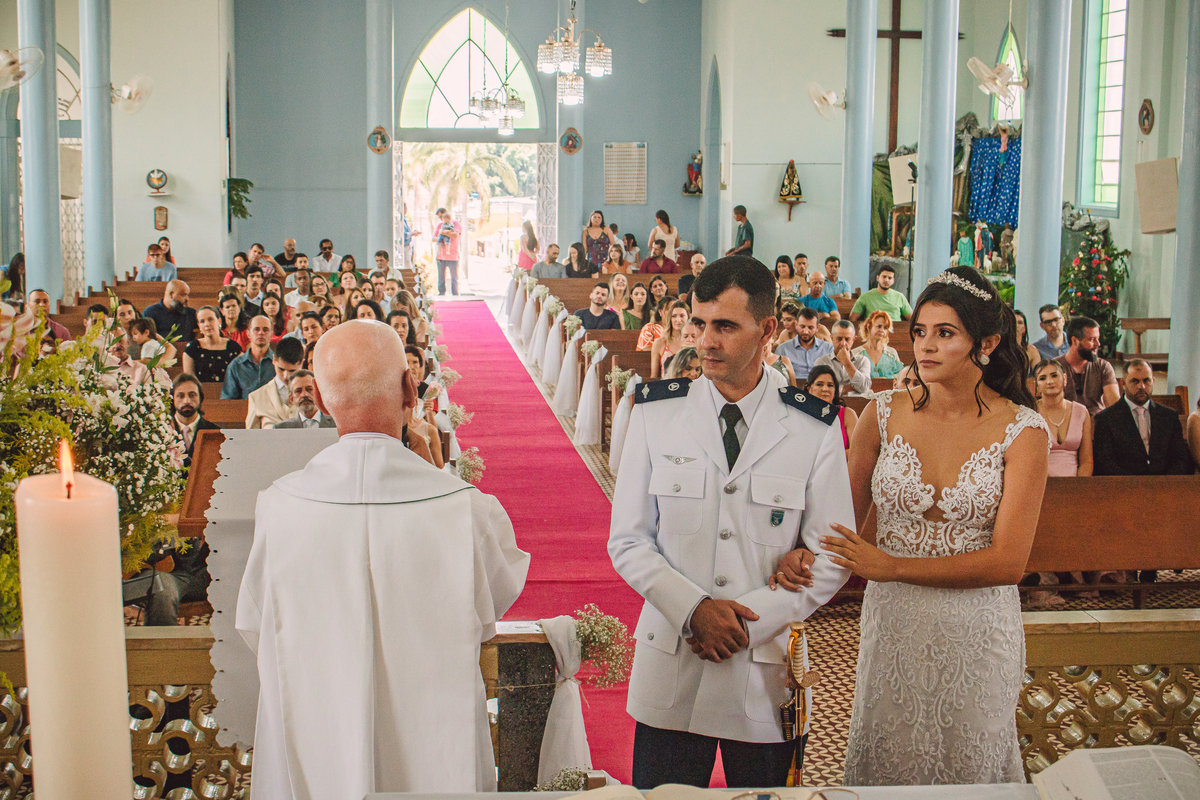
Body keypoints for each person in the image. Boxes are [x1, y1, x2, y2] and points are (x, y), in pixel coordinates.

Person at [235, 319, 530, 798]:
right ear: (411, 388)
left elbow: (253, 624)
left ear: (326, 401)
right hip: (434, 753)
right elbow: (494, 599)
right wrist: (435, 473)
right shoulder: (463, 509)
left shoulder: (278, 506)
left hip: (316, 748)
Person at [609, 254, 851, 789]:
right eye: (699, 324)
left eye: (724, 326)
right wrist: (694, 610)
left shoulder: (812, 428)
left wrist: (745, 621)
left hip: (764, 673)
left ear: (767, 330)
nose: (705, 341)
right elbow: (628, 540)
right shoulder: (655, 413)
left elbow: (832, 554)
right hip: (673, 662)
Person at [826, 266, 1051, 786]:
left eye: (945, 334)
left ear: (987, 342)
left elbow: (1008, 562)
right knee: (889, 762)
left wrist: (891, 565)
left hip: (976, 631)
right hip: (894, 627)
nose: (924, 346)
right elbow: (836, 521)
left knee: (968, 769)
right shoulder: (881, 414)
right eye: (920, 331)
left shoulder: (1023, 431)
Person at [1093, 360, 1194, 478]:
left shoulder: (1168, 416)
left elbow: (1180, 458)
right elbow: (1105, 462)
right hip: (1124, 486)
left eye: (1147, 380)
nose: (1142, 386)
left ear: (1153, 381)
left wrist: (1167, 482)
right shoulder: (1106, 418)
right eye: (1135, 381)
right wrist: (1135, 484)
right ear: (1123, 383)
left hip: (1165, 485)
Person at [1053, 316, 1120, 414]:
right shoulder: (1055, 367)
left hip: (1097, 422)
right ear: (1075, 341)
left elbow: (1114, 405)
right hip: (1065, 422)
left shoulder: (1103, 366)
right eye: (1092, 339)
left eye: (1097, 339)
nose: (1098, 344)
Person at [245, 337, 304, 429]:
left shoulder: (314, 395)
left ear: (301, 364)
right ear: (273, 360)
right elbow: (251, 439)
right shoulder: (256, 397)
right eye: (281, 369)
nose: (286, 376)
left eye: (292, 371)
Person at [170, 373, 221, 471]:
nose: (187, 401)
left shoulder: (215, 432)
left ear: (200, 398)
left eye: (192, 395)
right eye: (181, 396)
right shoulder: (163, 433)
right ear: (172, 399)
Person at [183, 306, 242, 383]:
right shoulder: (191, 349)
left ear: (219, 321)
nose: (207, 324)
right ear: (199, 326)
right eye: (202, 321)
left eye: (210, 319)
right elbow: (189, 382)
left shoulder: (234, 348)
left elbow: (241, 379)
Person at [221, 316, 276, 399]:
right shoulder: (236, 365)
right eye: (256, 329)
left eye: (265, 329)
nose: (261, 332)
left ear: (271, 334)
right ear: (248, 334)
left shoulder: (279, 364)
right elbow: (229, 402)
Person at [775, 307, 832, 384]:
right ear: (796, 325)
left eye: (810, 328)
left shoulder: (828, 349)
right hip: (792, 389)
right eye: (802, 326)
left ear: (817, 328)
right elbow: (777, 377)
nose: (805, 331)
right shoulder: (783, 349)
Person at [805, 364, 857, 450]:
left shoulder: (847, 414)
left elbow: (857, 452)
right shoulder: (801, 414)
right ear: (809, 389)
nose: (825, 389)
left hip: (843, 463)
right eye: (819, 384)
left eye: (830, 385)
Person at [814, 320, 872, 395]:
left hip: (857, 404)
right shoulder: (822, 362)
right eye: (839, 339)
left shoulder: (863, 361)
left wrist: (846, 362)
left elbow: (865, 388)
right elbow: (821, 390)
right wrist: (847, 388)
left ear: (853, 339)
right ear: (832, 338)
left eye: (847, 339)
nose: (843, 343)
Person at [273, 370, 337, 428]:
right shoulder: (282, 429)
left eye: (309, 389)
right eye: (298, 391)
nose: (304, 395)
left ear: (319, 393)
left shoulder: (336, 424)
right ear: (291, 399)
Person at [852, 311, 904, 379]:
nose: (882, 330)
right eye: (879, 326)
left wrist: (886, 379)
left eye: (885, 328)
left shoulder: (891, 353)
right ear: (869, 327)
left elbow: (901, 376)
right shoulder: (856, 353)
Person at [650, 301, 691, 378]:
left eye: (682, 316)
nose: (678, 320)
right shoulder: (659, 343)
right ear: (670, 318)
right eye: (674, 316)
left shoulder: (693, 341)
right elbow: (654, 376)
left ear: (688, 317)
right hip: (666, 386)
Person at [434, 207, 463, 296]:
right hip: (441, 256)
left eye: (442, 216)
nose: (441, 219)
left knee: (454, 278)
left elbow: (455, 235)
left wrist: (443, 233)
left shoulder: (455, 223)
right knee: (441, 278)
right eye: (440, 218)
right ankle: (441, 294)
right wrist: (443, 234)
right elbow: (434, 238)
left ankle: (455, 294)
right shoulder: (440, 225)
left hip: (453, 255)